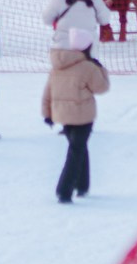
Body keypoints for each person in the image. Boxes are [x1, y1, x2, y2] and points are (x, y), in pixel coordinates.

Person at [42, 37, 111, 204]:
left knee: (78, 146)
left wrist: (47, 114)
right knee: (76, 149)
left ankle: (82, 185)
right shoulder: (88, 67)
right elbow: (102, 88)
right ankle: (64, 190)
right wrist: (101, 69)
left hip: (63, 115)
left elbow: (47, 92)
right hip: (82, 115)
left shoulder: (56, 67)